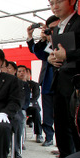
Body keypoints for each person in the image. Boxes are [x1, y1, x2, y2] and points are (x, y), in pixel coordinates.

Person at [42, 0, 80, 158]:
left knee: (76, 123)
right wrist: (52, 58)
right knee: (60, 122)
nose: (54, 6)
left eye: (58, 1)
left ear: (72, 1)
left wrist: (67, 55)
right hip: (60, 81)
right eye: (51, 3)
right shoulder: (58, 28)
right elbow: (56, 54)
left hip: (76, 80)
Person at [27, 15, 60, 146]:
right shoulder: (45, 42)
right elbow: (36, 52)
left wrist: (52, 39)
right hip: (47, 82)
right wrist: (38, 37)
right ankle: (49, 137)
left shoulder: (64, 40)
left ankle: (62, 143)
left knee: (61, 114)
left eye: (54, 29)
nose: (51, 31)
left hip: (63, 82)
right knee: (47, 112)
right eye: (49, 29)